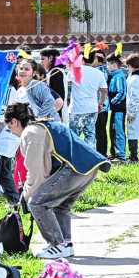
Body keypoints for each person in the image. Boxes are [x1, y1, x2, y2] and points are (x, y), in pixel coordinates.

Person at [7, 102, 109, 259]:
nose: (11, 132)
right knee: (60, 206)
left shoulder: (30, 133)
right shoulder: (41, 125)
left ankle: (57, 244)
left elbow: (38, 172)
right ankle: (66, 244)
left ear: (14, 121)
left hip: (75, 168)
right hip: (88, 166)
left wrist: (26, 196)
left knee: (37, 203)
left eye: (9, 128)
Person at [68, 50, 108, 149]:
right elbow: (104, 91)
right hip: (92, 108)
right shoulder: (98, 73)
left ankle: (74, 158)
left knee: (74, 135)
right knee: (90, 135)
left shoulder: (75, 70)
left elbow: (66, 83)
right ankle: (91, 159)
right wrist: (101, 103)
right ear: (93, 59)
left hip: (76, 109)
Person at [106, 55, 129, 161]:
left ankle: (121, 155)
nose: (107, 67)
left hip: (119, 108)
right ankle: (114, 153)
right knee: (113, 130)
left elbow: (122, 92)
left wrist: (112, 102)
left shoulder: (119, 76)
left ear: (114, 64)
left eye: (108, 64)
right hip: (115, 109)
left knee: (118, 130)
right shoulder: (115, 75)